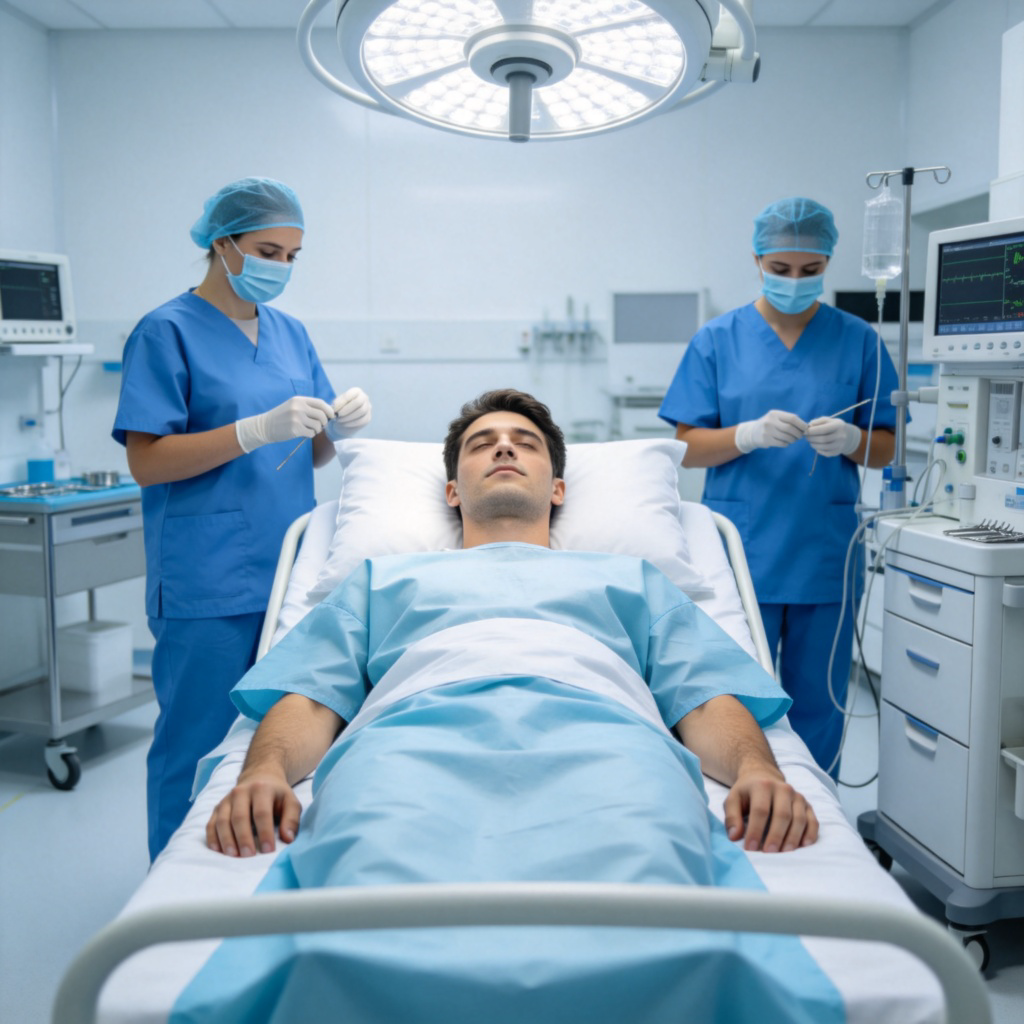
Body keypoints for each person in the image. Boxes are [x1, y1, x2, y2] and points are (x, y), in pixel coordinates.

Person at [206, 388, 817, 862]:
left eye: (524, 442)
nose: (503, 448)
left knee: (648, 846)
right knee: (370, 848)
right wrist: (262, 774)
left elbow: (705, 698)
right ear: (451, 491)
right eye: (482, 443)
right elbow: (311, 698)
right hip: (406, 747)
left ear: (557, 489)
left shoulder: (631, 579)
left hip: (609, 744)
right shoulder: (381, 581)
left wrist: (758, 771)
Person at [112, 176, 372, 860]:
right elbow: (147, 460)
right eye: (267, 250)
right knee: (195, 740)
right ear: (222, 244)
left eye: (292, 255)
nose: (280, 268)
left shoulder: (290, 333)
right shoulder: (165, 331)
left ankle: (242, 869)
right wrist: (250, 431)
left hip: (286, 572)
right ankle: (168, 883)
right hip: (207, 576)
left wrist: (338, 423)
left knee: (268, 739)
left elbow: (312, 451)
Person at [658, 197, 898, 777]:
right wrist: (745, 434)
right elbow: (686, 446)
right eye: (782, 269)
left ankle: (822, 816)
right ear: (758, 260)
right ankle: (748, 796)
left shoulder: (858, 340)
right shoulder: (717, 340)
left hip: (826, 549)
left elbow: (887, 444)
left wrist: (851, 440)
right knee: (740, 696)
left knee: (821, 702)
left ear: (828, 263)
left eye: (810, 270)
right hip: (744, 549)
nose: (795, 281)